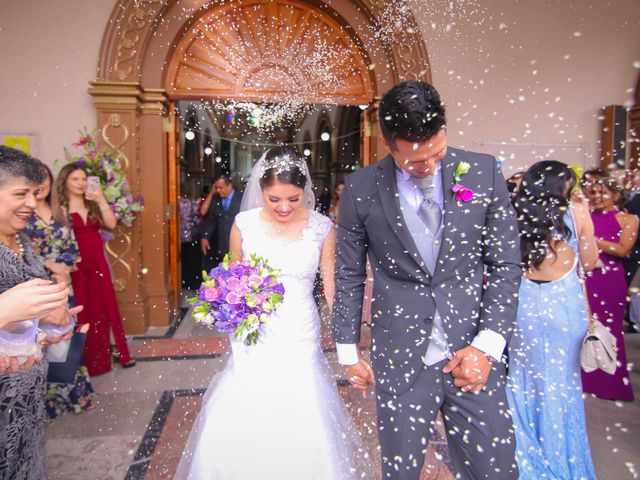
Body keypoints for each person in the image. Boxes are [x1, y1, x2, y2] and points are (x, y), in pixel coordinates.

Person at [332, 80, 520, 480]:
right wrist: (348, 351)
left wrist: (486, 347)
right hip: (401, 355)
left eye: (436, 152)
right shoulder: (362, 189)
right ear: (387, 143)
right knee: (401, 472)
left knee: (495, 470)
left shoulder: (484, 173)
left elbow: (506, 265)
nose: (428, 166)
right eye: (414, 161)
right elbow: (347, 273)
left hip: (472, 351)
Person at [175, 146, 375, 479]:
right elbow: (232, 276)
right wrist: (227, 307)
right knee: (253, 398)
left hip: (300, 328)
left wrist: (349, 346)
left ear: (306, 191)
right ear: (261, 190)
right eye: (274, 199)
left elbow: (331, 290)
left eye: (293, 199)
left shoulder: (322, 227)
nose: (284, 207)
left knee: (302, 400)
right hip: (256, 330)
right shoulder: (244, 224)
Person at [507, 160, 599, 479]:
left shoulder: (514, 216)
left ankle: (527, 463)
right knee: (562, 388)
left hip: (524, 308)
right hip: (564, 308)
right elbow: (591, 261)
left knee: (520, 382)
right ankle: (564, 462)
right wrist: (583, 213)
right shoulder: (575, 213)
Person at [0, 145, 80, 479]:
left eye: (34, 194)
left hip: (27, 401)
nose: (32, 204)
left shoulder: (23, 243)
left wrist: (51, 320)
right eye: (21, 194)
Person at [23, 164, 96, 419]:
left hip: (63, 284)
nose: (40, 185)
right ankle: (45, 404)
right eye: (34, 180)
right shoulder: (22, 215)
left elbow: (72, 248)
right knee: (40, 343)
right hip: (34, 287)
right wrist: (48, 266)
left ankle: (75, 395)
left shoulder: (60, 212)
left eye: (43, 179)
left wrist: (63, 269)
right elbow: (19, 253)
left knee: (66, 337)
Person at [54, 163, 136, 375]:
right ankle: (86, 362)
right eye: (75, 179)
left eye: (83, 179)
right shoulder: (59, 209)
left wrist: (100, 198)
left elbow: (110, 224)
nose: (80, 183)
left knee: (104, 307)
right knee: (82, 311)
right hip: (75, 264)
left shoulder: (92, 205)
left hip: (97, 260)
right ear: (64, 182)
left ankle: (109, 356)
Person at [582, 177, 637, 401]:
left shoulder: (629, 219)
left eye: (602, 192)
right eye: (592, 192)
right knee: (585, 327)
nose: (596, 196)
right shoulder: (585, 216)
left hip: (610, 280)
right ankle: (585, 379)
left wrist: (594, 239)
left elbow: (622, 249)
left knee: (610, 329)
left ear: (615, 194)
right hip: (587, 277)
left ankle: (610, 383)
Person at [200, 175, 243, 272]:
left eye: (220, 187)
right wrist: (205, 237)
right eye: (216, 188)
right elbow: (211, 221)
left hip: (237, 245)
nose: (218, 190)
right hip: (221, 246)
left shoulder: (241, 199)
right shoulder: (215, 200)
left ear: (229, 186)